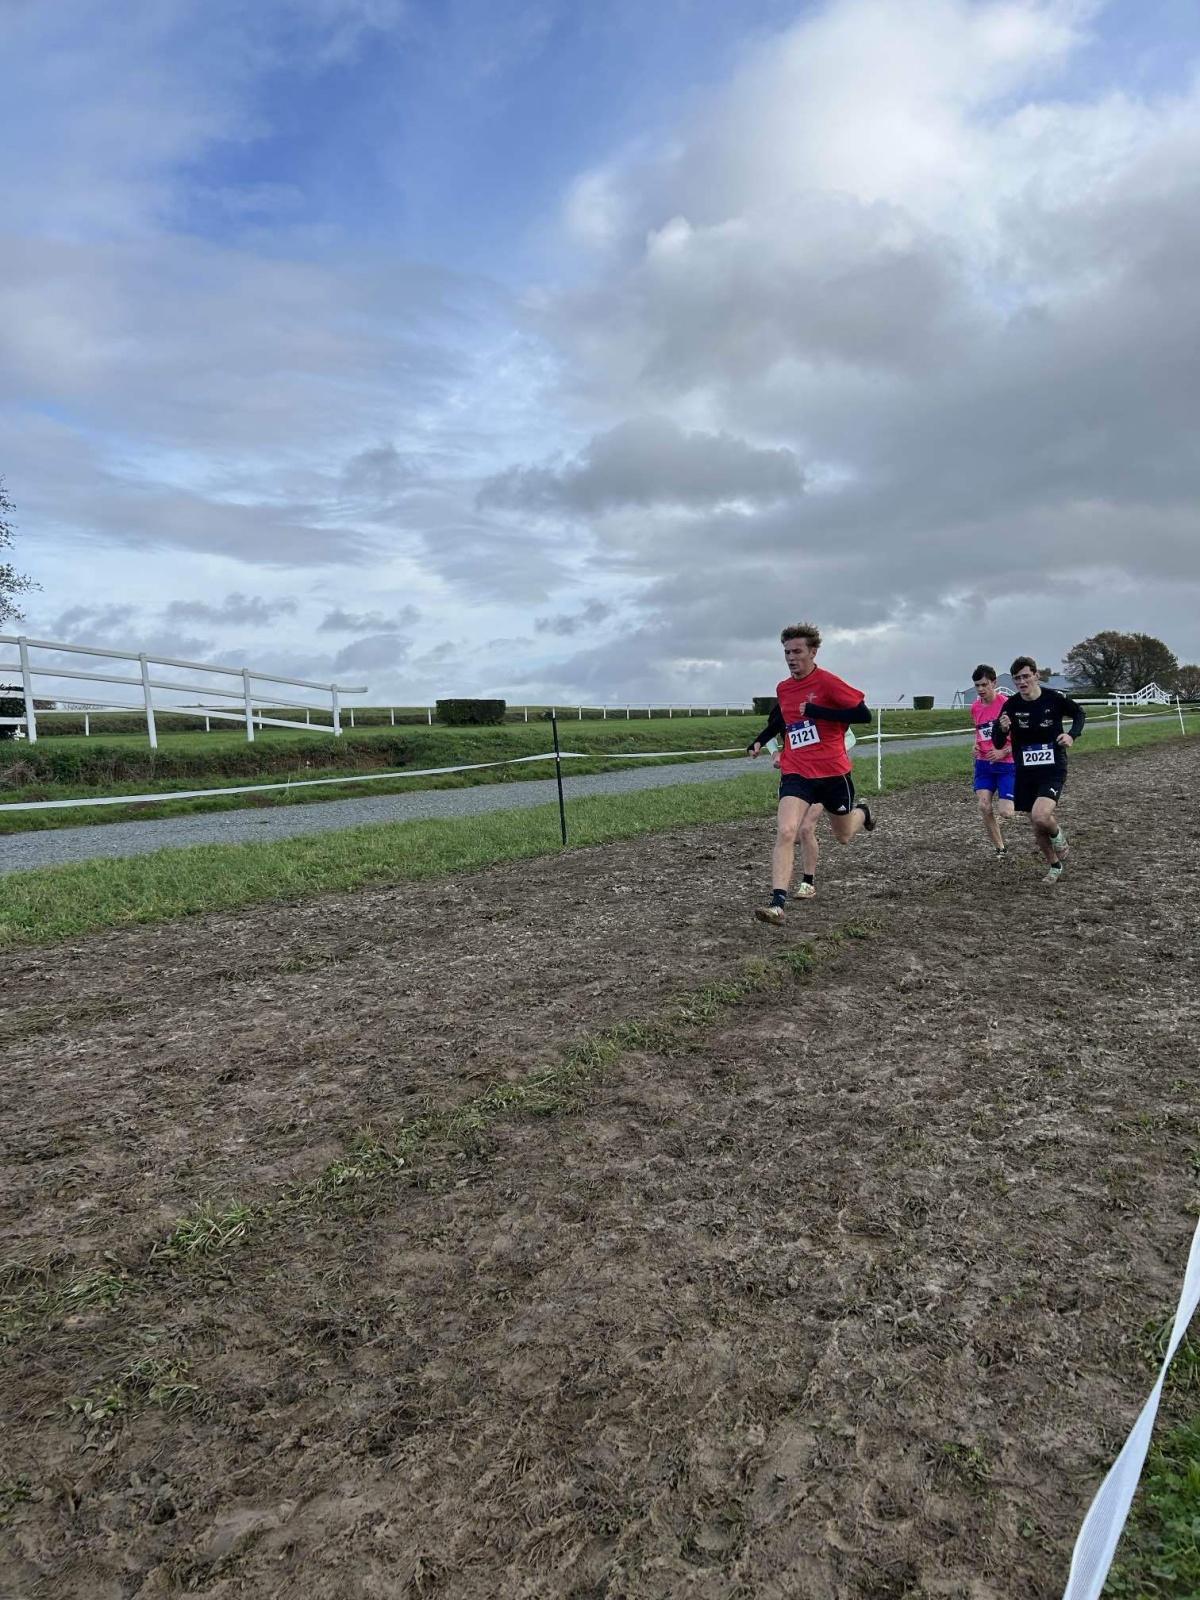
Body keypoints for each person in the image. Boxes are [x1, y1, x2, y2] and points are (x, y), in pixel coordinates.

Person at [747, 622, 875, 924]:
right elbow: (785, 722)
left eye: (798, 651)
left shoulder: (829, 683)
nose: (792, 657)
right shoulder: (784, 688)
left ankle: (864, 812)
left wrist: (820, 712)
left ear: (813, 651)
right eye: (787, 652)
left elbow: (863, 715)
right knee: (787, 830)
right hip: (798, 771)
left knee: (843, 836)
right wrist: (760, 741)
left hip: (833, 773)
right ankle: (778, 903)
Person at [991, 656, 1085, 884]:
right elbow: (997, 742)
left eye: (1026, 676)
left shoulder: (1054, 698)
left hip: (1052, 767)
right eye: (1017, 679)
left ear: (1036, 675)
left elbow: (1079, 714)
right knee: (1036, 825)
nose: (1022, 682)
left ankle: (1058, 835)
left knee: (1041, 815)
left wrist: (1071, 735)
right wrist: (1002, 730)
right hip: (1025, 771)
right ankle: (1054, 865)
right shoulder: (1011, 706)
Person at [969, 664, 1014, 856]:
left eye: (984, 685)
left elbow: (1022, 737)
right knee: (983, 805)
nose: (980, 690)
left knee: (1006, 813)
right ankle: (1000, 848)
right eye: (977, 685)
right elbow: (979, 731)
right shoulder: (975, 707)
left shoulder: (1008, 705)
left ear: (994, 683)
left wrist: (1004, 751)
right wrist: (976, 745)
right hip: (984, 764)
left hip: (1006, 764)